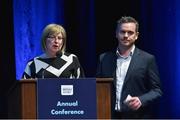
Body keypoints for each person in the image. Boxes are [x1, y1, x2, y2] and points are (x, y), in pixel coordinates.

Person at [96, 16, 162, 118]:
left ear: (136, 35)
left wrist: (141, 100)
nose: (126, 35)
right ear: (116, 34)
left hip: (136, 116)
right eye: (122, 32)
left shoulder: (147, 59)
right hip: (108, 116)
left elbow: (157, 90)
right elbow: (98, 88)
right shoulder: (104, 58)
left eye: (130, 32)